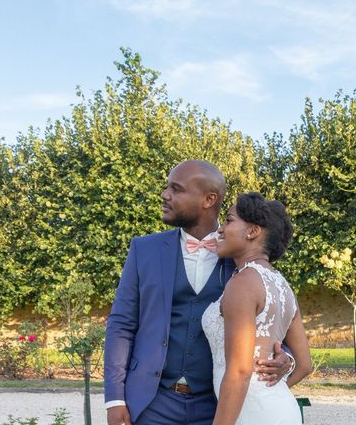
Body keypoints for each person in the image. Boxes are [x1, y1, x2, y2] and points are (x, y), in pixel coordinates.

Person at [104, 160, 292, 425]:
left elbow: (271, 318)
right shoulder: (143, 250)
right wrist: (115, 399)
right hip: (152, 402)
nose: (165, 194)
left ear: (208, 200)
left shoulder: (241, 256)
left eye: (176, 189)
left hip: (216, 404)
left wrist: (287, 360)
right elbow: (121, 324)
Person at [202, 192, 312, 425]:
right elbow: (304, 365)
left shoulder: (243, 283)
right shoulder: (283, 286)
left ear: (252, 231)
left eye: (229, 220)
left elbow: (240, 372)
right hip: (282, 409)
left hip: (249, 414)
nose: (220, 229)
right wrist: (269, 390)